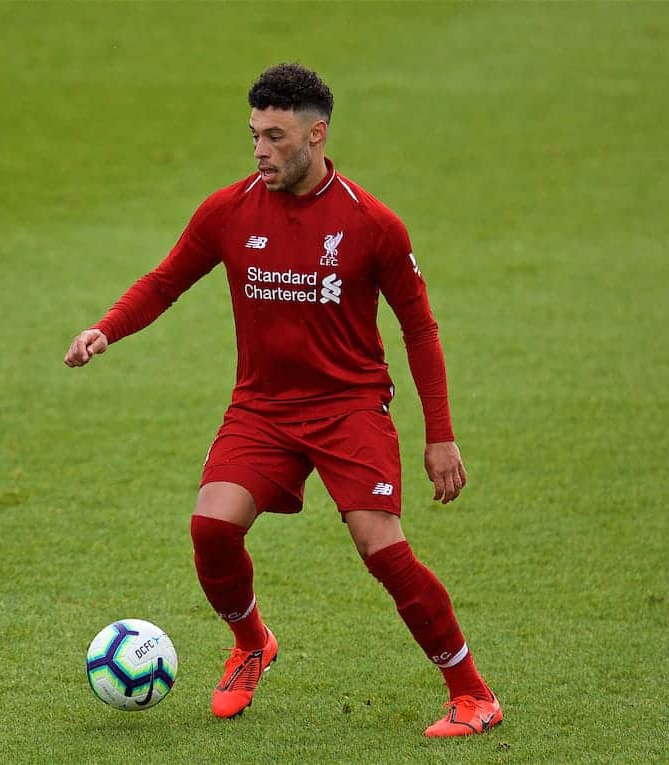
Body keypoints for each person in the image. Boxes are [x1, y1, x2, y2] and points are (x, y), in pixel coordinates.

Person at [64, 63, 500, 738]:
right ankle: (251, 644)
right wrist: (106, 328)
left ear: (316, 134)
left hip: (349, 404)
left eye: (274, 136)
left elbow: (420, 327)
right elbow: (165, 280)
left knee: (381, 546)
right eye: (253, 135)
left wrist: (439, 434)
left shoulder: (372, 224)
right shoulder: (229, 209)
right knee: (211, 529)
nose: (260, 151)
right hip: (262, 407)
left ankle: (472, 694)